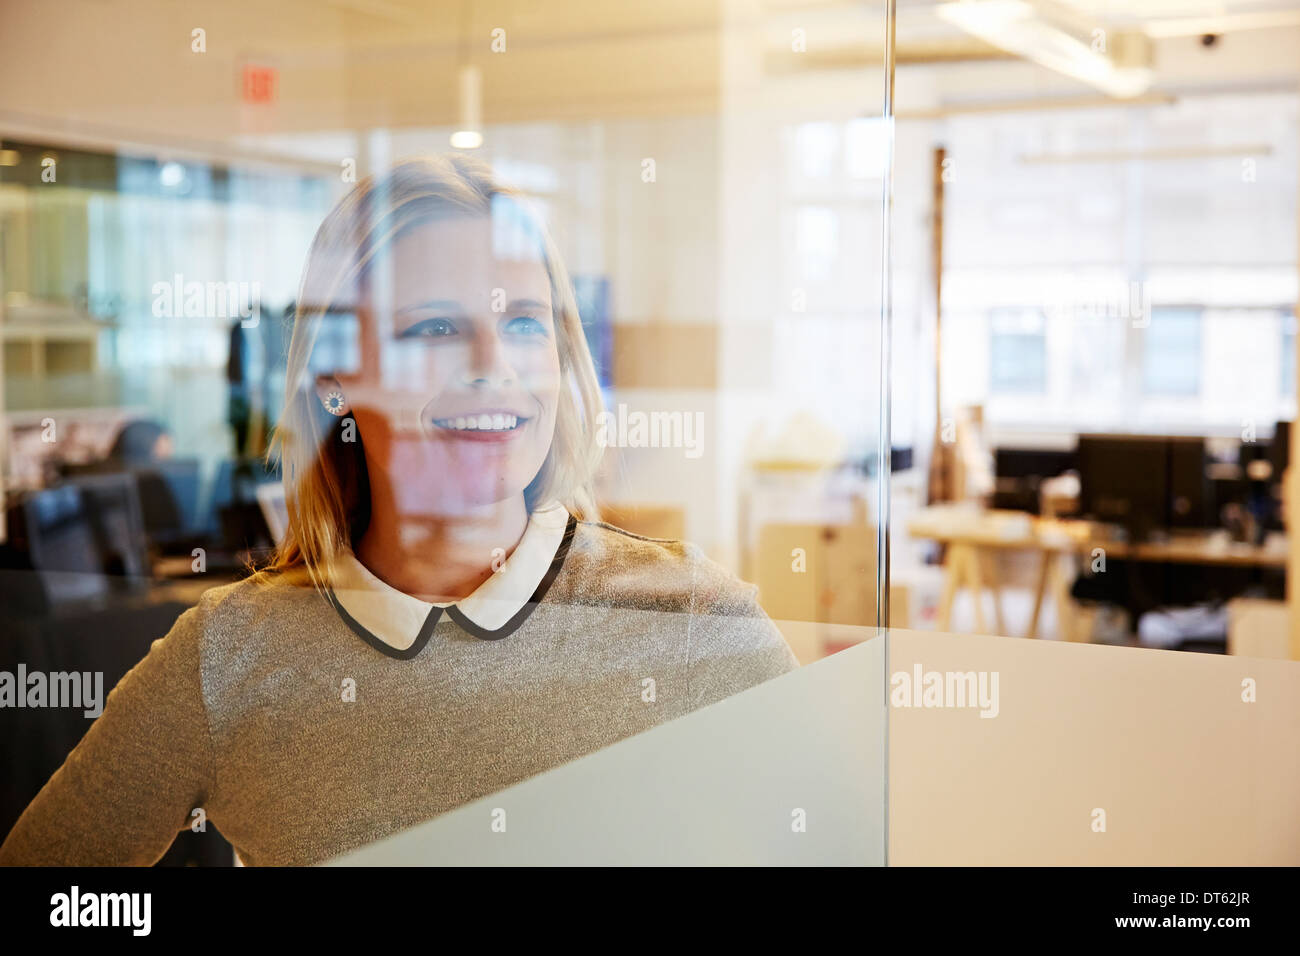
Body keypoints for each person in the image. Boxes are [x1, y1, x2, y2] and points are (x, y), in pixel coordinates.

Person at [0, 155, 799, 867]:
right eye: (437, 328)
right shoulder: (229, 659)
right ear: (334, 378)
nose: (494, 368)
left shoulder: (692, 620)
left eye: (524, 322)